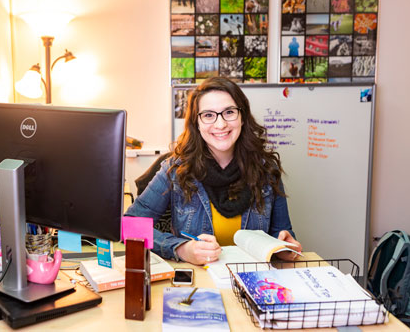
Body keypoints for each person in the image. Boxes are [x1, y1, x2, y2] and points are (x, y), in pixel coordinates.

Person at [126, 77, 302, 265]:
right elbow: (129, 226)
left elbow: (282, 233)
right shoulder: (175, 169)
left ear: (242, 117)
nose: (220, 124)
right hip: (201, 283)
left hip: (253, 280)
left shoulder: (266, 170)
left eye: (229, 112)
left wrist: (284, 248)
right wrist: (181, 248)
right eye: (208, 115)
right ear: (197, 123)